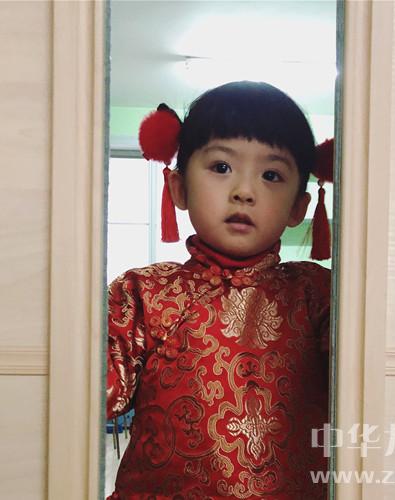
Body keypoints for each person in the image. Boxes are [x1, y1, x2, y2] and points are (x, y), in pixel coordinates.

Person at [107, 81, 332, 499]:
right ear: (179, 188)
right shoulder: (143, 294)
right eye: (222, 167)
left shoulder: (319, 296)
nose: (244, 191)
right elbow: (77, 396)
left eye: (271, 175)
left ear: (298, 207)